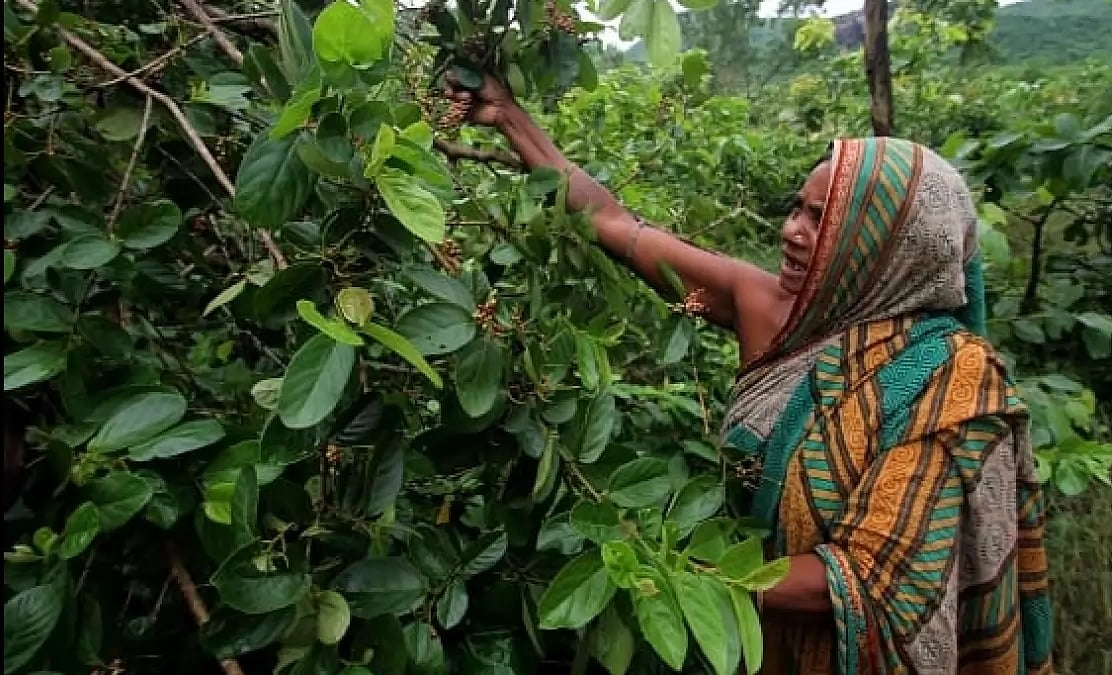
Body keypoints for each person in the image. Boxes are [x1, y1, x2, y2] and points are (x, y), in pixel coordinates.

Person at [444, 74, 1055, 675]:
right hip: (744, 634)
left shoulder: (950, 381)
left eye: (822, 221)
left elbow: (871, 578)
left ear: (885, 250)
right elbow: (614, 223)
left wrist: (676, 574)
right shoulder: (767, 307)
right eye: (796, 209)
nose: (791, 232)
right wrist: (508, 117)